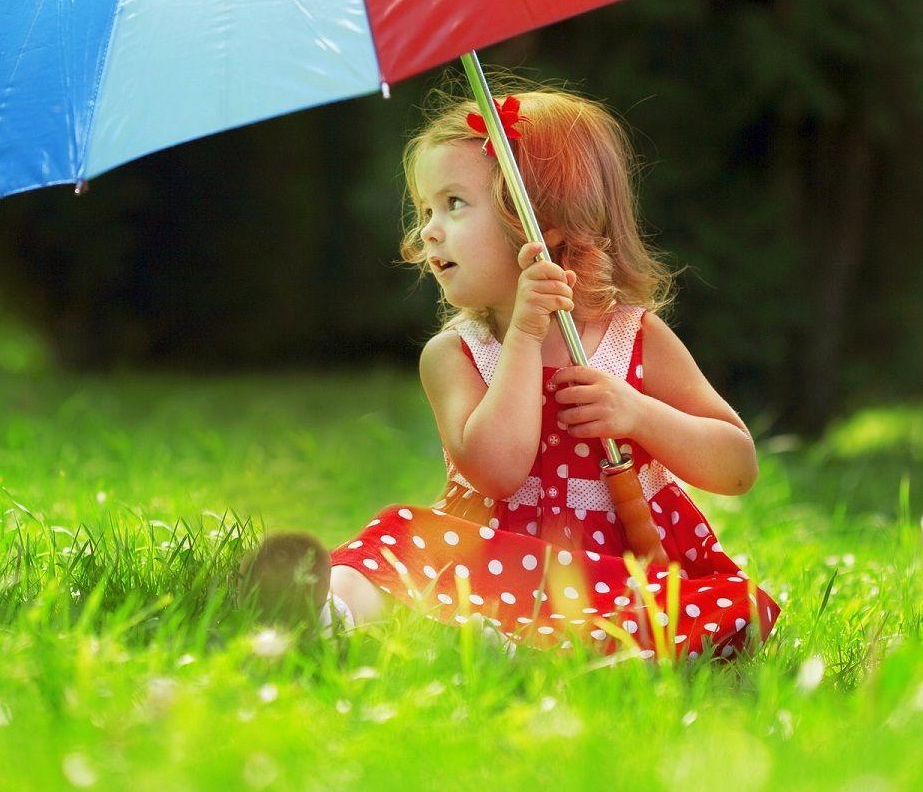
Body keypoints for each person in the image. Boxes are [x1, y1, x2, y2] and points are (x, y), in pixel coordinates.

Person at [235, 84, 780, 662]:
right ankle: (325, 611)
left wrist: (639, 413)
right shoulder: (456, 354)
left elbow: (736, 466)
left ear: (543, 221)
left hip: (614, 579)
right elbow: (496, 471)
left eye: (454, 204)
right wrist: (522, 336)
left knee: (723, 608)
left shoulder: (633, 339)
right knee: (399, 545)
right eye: (425, 210)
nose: (429, 231)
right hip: (488, 562)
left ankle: (540, 649)